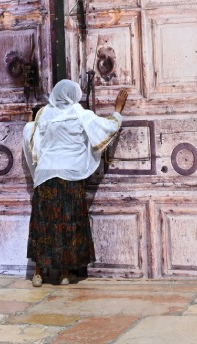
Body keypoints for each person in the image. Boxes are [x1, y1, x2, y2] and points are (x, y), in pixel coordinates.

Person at [22, 79, 129, 287]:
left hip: (45, 176)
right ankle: (64, 273)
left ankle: (38, 274)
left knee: (43, 224)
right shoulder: (79, 113)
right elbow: (106, 128)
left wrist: (29, 121)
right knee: (67, 223)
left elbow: (30, 133)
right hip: (69, 176)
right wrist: (117, 110)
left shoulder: (44, 114)